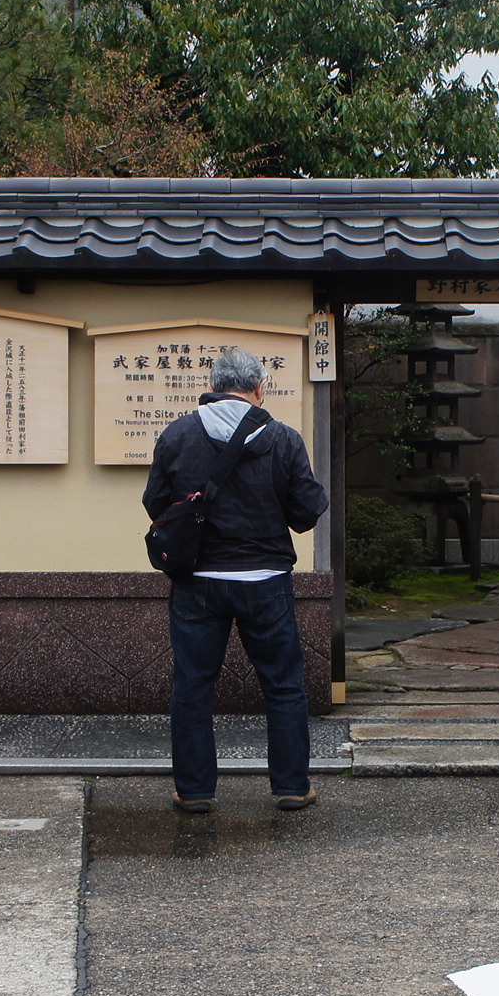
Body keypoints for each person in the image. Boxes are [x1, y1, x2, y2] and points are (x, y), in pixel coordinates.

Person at [143, 349, 329, 814]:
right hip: (265, 582)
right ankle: (291, 786)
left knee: (193, 686)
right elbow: (306, 514)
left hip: (197, 581)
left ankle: (194, 791)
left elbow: (156, 503)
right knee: (283, 685)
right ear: (259, 387)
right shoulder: (283, 439)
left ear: (212, 384)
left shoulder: (178, 434)